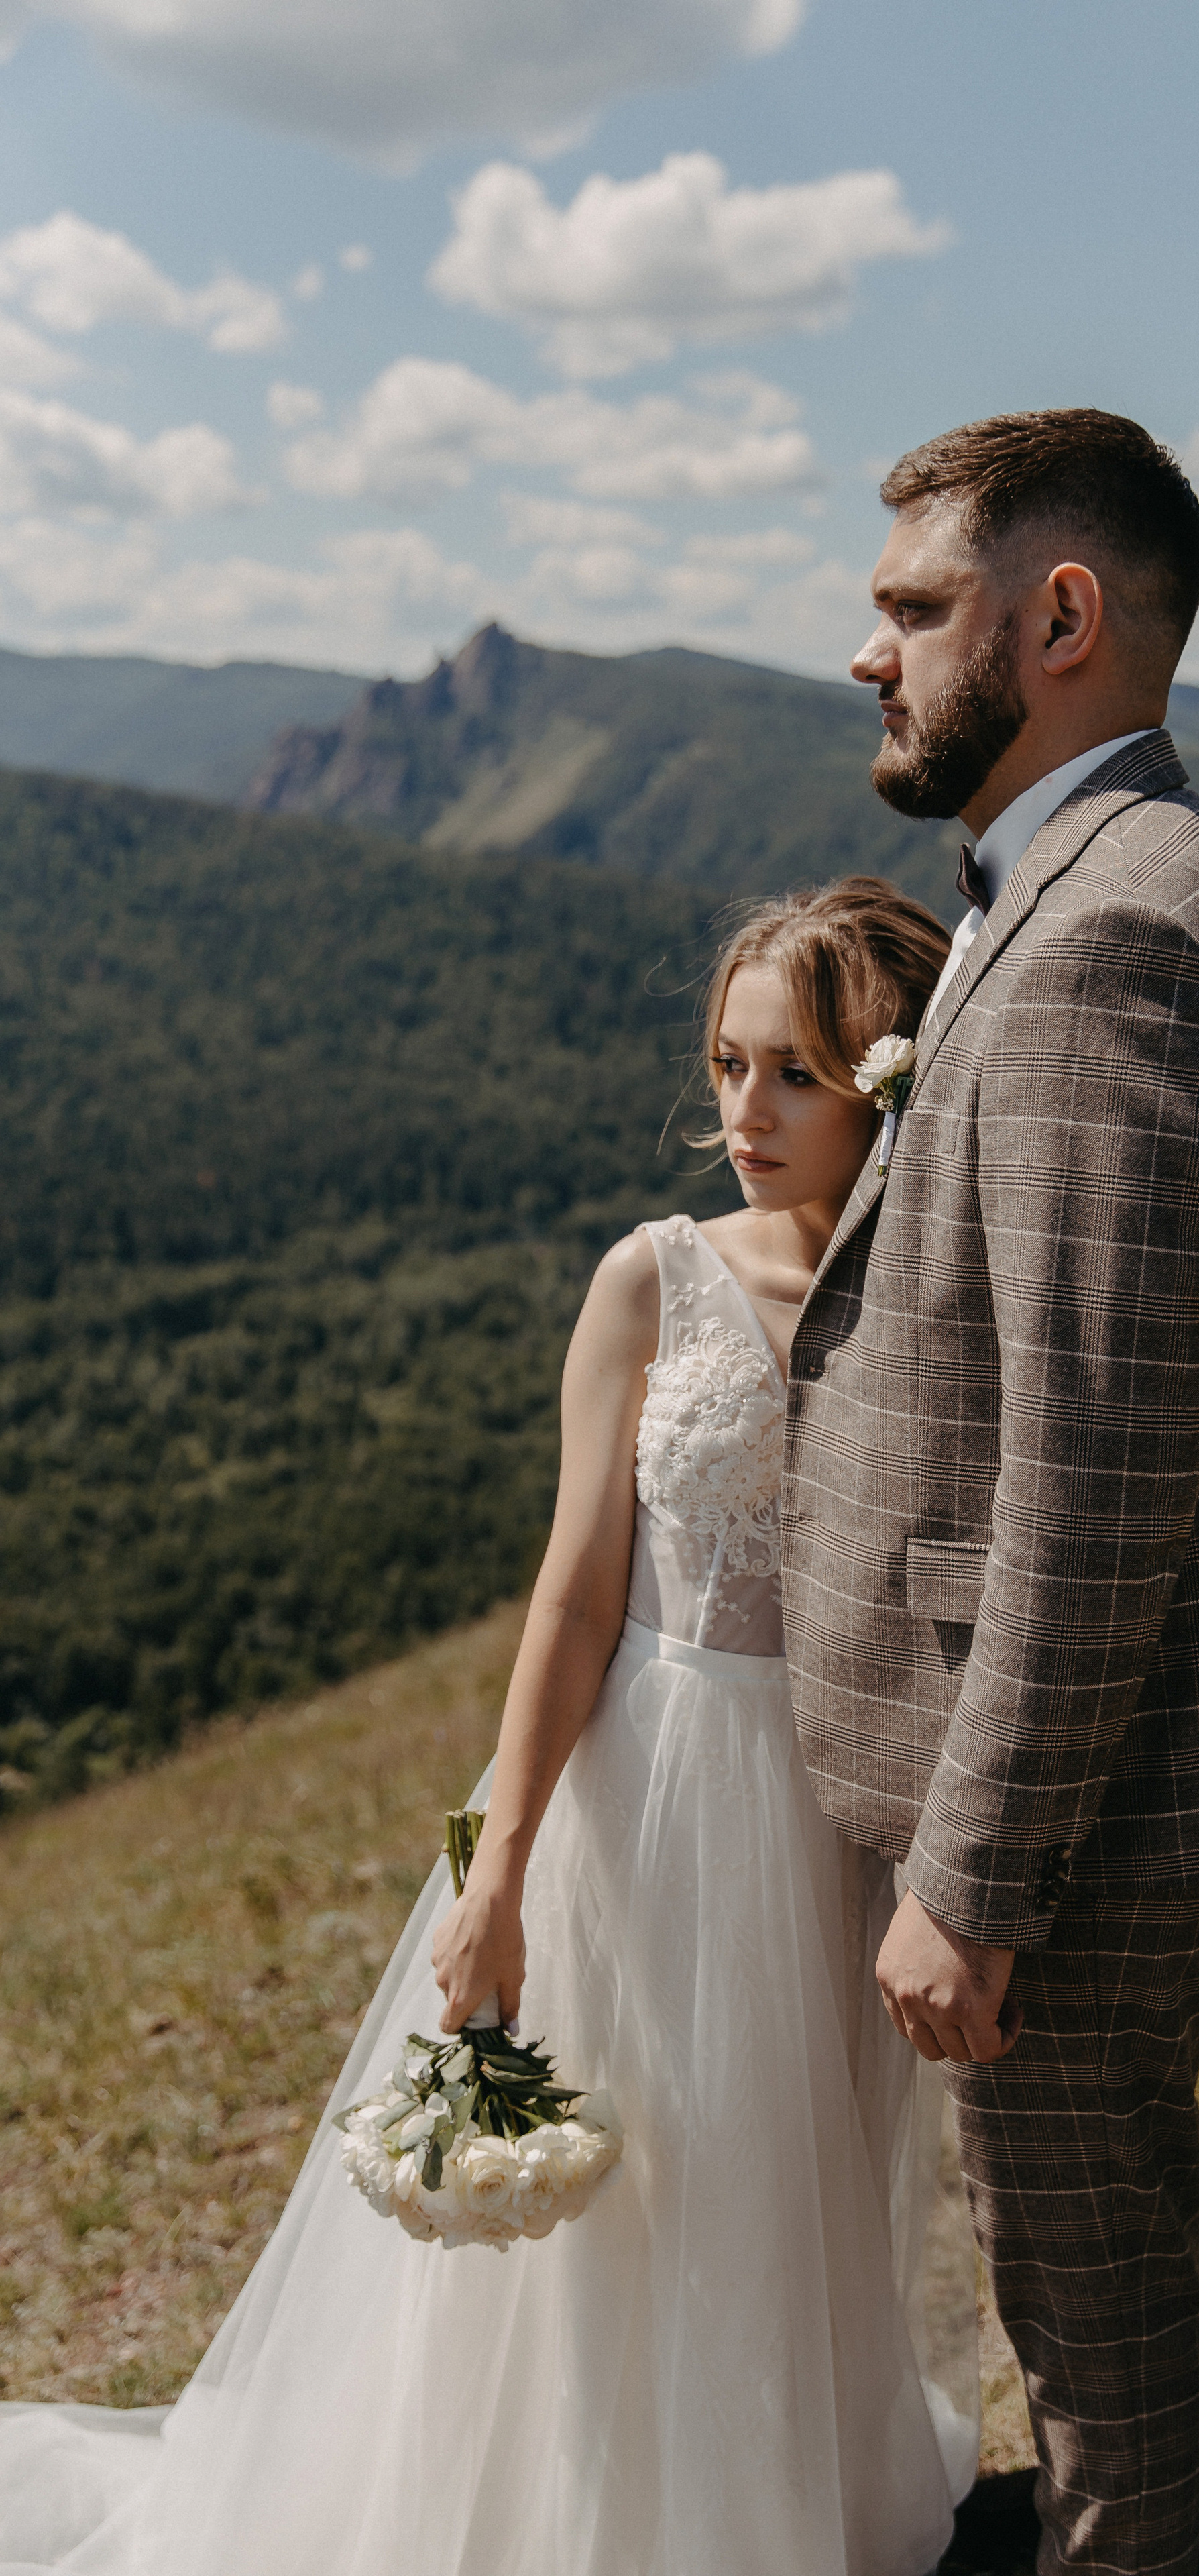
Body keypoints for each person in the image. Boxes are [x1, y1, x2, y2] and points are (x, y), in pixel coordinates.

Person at [0, 877, 975, 2576]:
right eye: (727, 1065)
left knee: (784, 2187)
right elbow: (571, 1601)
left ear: (884, 1084)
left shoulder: (932, 1297)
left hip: (835, 1811)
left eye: (794, 1076)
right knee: (629, 2188)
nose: (743, 1112)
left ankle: (757, 2509)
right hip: (644, 1802)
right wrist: (495, 1869)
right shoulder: (649, 1282)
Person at [781, 411, 1199, 2576]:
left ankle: (1140, 2540)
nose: (870, 656)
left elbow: (1098, 1474)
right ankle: (1173, 2497)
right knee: (1098, 2210)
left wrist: (979, 1872)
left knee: (1081, 2239)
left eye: (914, 609)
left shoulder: (1118, 935)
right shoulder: (1096, 883)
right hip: (1105, 1748)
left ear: (1060, 623)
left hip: (1082, 1780)